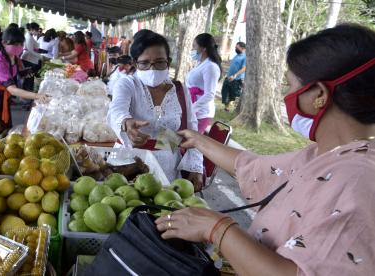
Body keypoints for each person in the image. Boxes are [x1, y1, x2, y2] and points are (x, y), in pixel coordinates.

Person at [155, 24, 375, 276]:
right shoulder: (326, 155)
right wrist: (197, 140)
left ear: (319, 95)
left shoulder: (358, 181)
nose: (287, 96)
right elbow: (255, 168)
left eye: (291, 85)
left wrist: (217, 228)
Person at [107, 29, 203, 187]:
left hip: (168, 168)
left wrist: (196, 166)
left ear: (168, 61)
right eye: (144, 63)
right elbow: (117, 109)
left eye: (159, 62)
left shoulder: (179, 89)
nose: (152, 69)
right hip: (129, 165)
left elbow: (192, 129)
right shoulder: (128, 84)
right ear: (135, 63)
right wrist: (126, 122)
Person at [0, 26, 49, 143]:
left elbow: (13, 73)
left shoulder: (13, 56)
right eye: (14, 44)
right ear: (3, 43)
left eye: (20, 44)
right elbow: (12, 89)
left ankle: (3, 146)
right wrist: (37, 96)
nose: (18, 47)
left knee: (5, 124)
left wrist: (25, 72)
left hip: (1, 93)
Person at [185, 33, 222, 133]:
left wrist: (192, 109)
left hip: (201, 113)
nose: (192, 49)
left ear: (203, 48)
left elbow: (210, 94)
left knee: (189, 142)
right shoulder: (200, 64)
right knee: (179, 140)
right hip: (191, 107)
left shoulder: (211, 67)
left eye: (194, 46)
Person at [221, 42, 246, 111]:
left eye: (237, 47)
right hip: (229, 77)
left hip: (236, 79)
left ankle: (230, 107)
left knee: (233, 94)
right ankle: (226, 107)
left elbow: (244, 68)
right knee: (224, 91)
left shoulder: (245, 57)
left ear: (242, 48)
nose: (235, 48)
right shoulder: (237, 55)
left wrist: (235, 76)